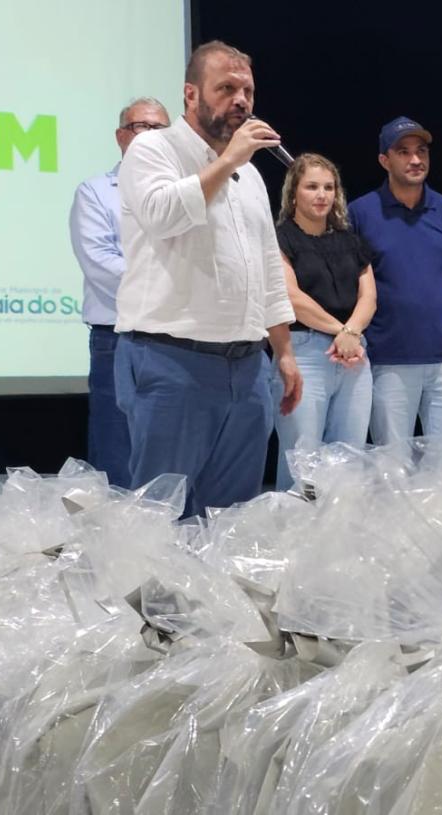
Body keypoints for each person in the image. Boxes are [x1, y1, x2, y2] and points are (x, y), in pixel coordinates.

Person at [113, 41, 301, 518]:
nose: (241, 100)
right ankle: (149, 596)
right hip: (172, 360)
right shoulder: (154, 149)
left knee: (232, 517)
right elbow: (162, 215)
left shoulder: (252, 177)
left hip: (246, 367)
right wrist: (228, 162)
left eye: (248, 91)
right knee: (158, 515)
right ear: (191, 95)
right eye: (226, 88)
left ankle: (213, 595)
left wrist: (283, 351)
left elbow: (266, 269)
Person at [348, 117, 442, 446]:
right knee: (392, 469)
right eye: (403, 152)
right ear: (384, 161)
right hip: (387, 361)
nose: (415, 160)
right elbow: (352, 289)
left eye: (422, 151)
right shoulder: (359, 212)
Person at [69, 97, 169, 488]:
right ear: (121, 136)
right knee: (117, 448)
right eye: (142, 127)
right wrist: (168, 286)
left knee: (169, 449)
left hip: (176, 339)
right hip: (118, 335)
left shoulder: (185, 191)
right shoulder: (95, 192)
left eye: (160, 129)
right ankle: (117, 544)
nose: (151, 137)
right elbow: (100, 263)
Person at [269, 153, 376, 490]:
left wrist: (352, 333)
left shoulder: (350, 239)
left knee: (348, 457)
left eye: (328, 187)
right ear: (293, 192)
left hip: (353, 355)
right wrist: (342, 331)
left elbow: (369, 297)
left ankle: (339, 538)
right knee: (302, 461)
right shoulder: (280, 238)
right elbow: (290, 297)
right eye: (312, 186)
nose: (322, 194)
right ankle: (295, 537)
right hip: (304, 354)